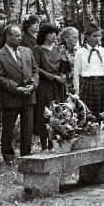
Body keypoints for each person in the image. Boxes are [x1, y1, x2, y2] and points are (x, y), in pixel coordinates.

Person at [0, 25, 38, 164]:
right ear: (8, 37)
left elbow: (35, 71)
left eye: (20, 35)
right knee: (8, 128)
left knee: (28, 127)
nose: (20, 38)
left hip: (29, 96)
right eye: (17, 36)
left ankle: (26, 153)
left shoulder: (27, 51)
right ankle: (8, 155)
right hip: (11, 97)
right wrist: (16, 88)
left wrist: (33, 85)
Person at [32, 22, 67, 150]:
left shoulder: (59, 49)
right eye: (51, 33)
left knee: (58, 113)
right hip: (45, 85)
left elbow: (64, 67)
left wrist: (63, 74)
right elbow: (36, 68)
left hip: (58, 86)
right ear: (44, 35)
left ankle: (55, 143)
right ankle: (44, 145)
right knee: (45, 114)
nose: (54, 36)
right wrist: (52, 77)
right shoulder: (38, 49)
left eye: (55, 33)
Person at [73, 22, 104, 118]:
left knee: (103, 115)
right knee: (87, 115)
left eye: (99, 36)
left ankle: (101, 132)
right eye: (94, 36)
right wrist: (77, 92)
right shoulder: (80, 52)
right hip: (87, 85)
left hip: (101, 85)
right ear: (87, 37)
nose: (97, 38)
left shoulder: (103, 52)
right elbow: (76, 74)